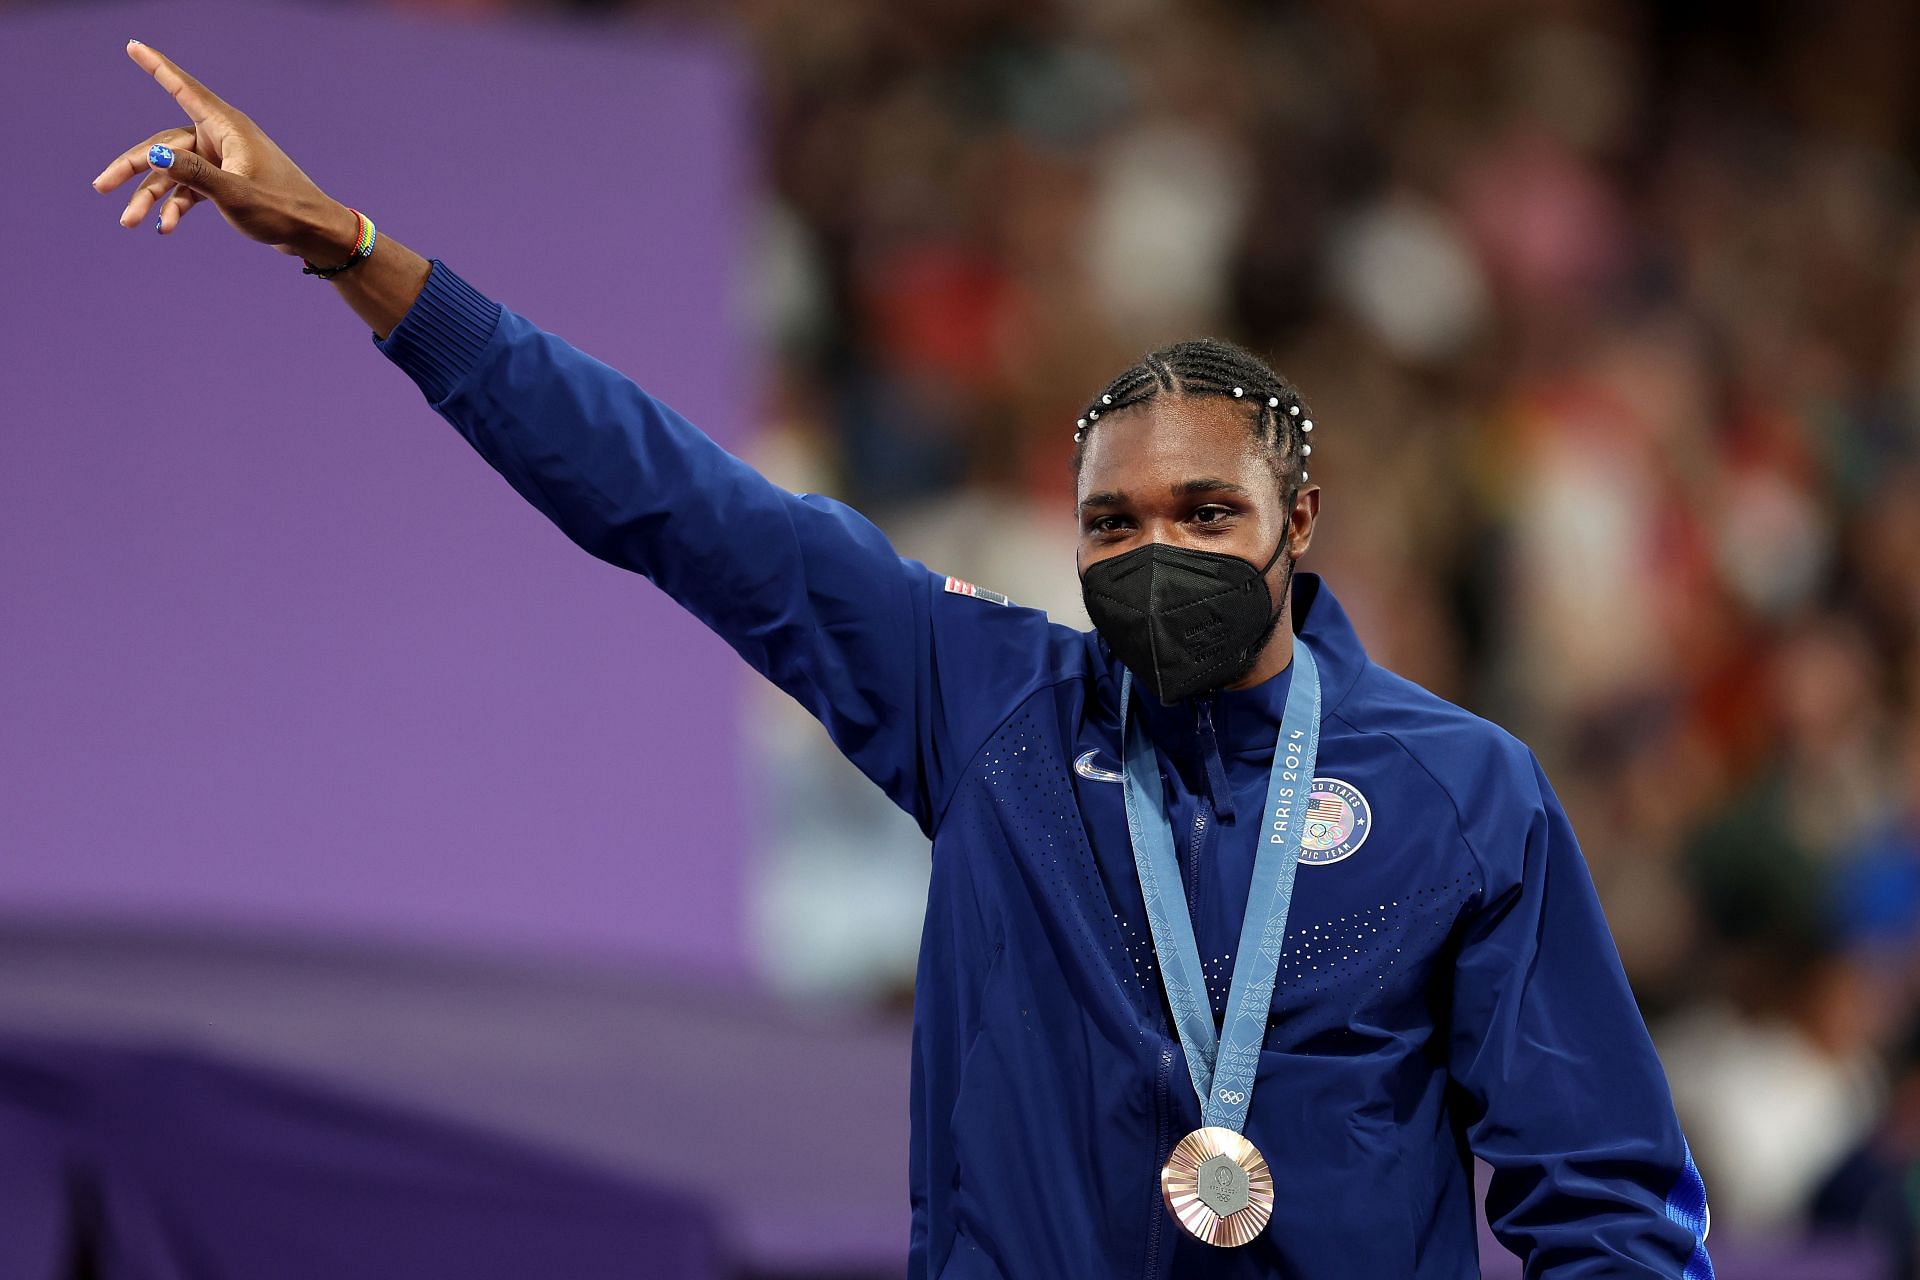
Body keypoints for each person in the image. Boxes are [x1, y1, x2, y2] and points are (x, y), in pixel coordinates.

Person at [91, 41, 1716, 1279]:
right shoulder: (992, 705)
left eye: (1206, 512)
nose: (1154, 552)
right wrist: (350, 248)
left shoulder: (1457, 790)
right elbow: (668, 494)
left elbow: (1608, 1198)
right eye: (1113, 523)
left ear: (1304, 521)